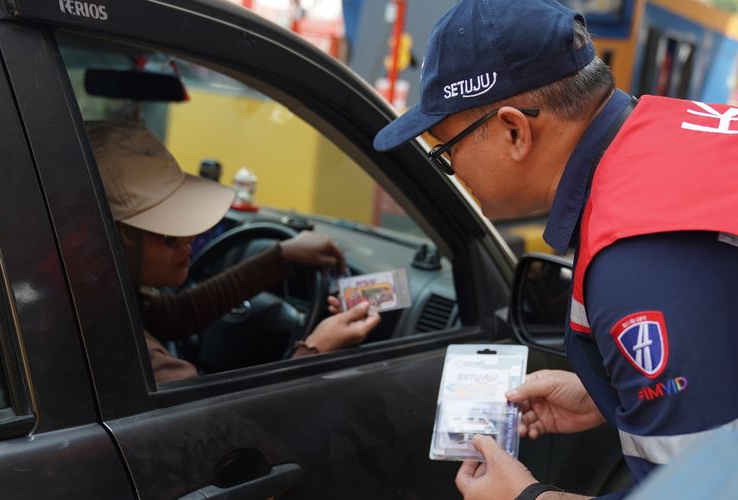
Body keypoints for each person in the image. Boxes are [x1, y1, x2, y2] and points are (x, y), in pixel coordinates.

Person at [374, 0, 738, 498]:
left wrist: (526, 497)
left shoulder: (635, 258)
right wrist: (607, 392)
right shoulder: (678, 132)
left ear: (513, 131)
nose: (452, 172)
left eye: (445, 151)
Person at [87, 120, 380, 383]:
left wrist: (280, 256)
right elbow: (223, 434)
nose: (188, 236)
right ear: (109, 240)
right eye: (167, 233)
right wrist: (317, 350)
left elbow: (177, 315)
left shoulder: (96, 294)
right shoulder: (150, 367)